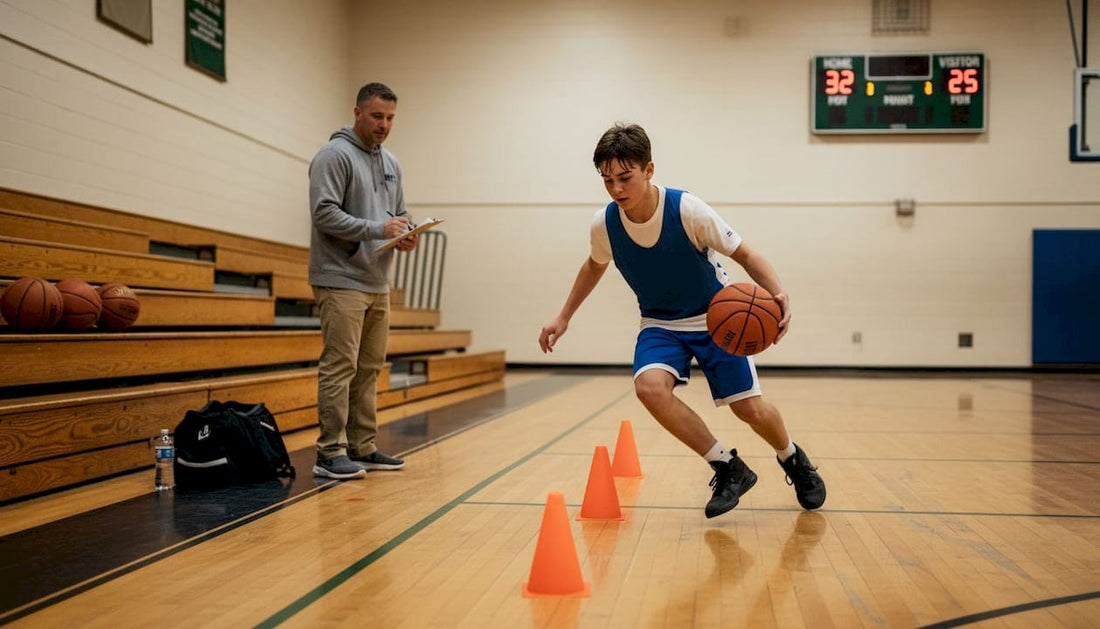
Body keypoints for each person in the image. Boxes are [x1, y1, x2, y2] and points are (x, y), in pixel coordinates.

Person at [538, 123, 826, 517]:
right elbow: (594, 265)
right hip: (659, 323)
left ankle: (792, 457)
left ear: (649, 169)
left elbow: (745, 254)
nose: (617, 189)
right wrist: (563, 316)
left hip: (716, 319)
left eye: (625, 178)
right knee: (649, 389)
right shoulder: (605, 223)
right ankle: (728, 466)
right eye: (607, 181)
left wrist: (779, 292)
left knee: (750, 411)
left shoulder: (687, 209)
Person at [307, 82, 418, 480]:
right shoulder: (333, 156)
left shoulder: (391, 162)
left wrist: (405, 234)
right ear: (357, 113)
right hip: (339, 278)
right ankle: (328, 452)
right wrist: (378, 228)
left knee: (369, 366)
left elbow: (398, 214)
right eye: (376, 116)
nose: (384, 125)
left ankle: (361, 446)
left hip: (376, 280)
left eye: (390, 118)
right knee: (341, 366)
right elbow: (324, 214)